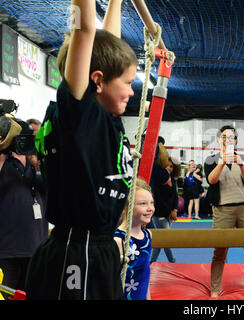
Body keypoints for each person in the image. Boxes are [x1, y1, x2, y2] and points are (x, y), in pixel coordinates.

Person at [25, 0, 137, 300]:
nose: (132, 91)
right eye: (127, 82)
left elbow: (107, 44)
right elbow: (85, 30)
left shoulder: (102, 118)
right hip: (77, 250)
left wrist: (117, 1)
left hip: (97, 248)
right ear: (97, 81)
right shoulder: (78, 115)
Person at [204, 125, 244, 298]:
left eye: (231, 137)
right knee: (220, 250)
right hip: (223, 210)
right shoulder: (211, 160)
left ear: (236, 141)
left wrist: (239, 162)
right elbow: (211, 180)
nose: (227, 140)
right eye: (224, 137)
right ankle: (215, 288)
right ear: (218, 140)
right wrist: (223, 161)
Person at [0, 118, 48, 293]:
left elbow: (56, 184)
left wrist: (37, 160)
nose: (26, 143)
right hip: (5, 253)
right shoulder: (4, 163)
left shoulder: (35, 167)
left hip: (35, 252)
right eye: (20, 139)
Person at [115, 178, 154, 300]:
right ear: (126, 207)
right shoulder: (118, 240)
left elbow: (145, 274)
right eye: (143, 203)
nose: (150, 208)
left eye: (152, 203)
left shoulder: (147, 235)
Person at [150, 157, 180, 263]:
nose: (169, 168)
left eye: (171, 167)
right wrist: (169, 212)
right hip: (160, 214)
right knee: (166, 240)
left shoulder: (173, 179)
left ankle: (151, 262)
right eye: (167, 166)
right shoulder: (159, 180)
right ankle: (173, 262)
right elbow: (158, 199)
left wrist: (175, 210)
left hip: (170, 214)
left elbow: (175, 196)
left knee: (161, 241)